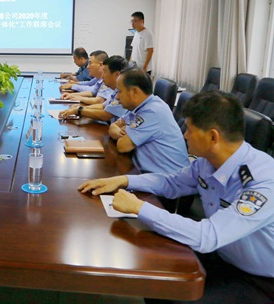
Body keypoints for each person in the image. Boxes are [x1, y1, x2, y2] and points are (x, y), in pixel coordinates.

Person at [79, 91, 274, 304]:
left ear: (213, 137)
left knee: (172, 291)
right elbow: (172, 183)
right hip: (223, 254)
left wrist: (139, 207)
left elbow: (207, 236)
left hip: (260, 280)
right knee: (153, 269)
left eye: (189, 129)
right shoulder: (207, 161)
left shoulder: (263, 181)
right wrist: (124, 180)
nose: (185, 135)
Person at [108, 67, 189, 175]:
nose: (117, 97)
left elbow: (123, 146)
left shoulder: (153, 111)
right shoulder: (140, 107)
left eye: (120, 91)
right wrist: (121, 132)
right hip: (147, 172)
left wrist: (125, 132)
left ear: (134, 92)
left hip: (169, 178)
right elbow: (113, 127)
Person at [59, 55, 128, 122]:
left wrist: (79, 110)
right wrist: (80, 108)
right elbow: (103, 106)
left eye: (105, 72)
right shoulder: (116, 91)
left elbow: (106, 115)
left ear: (117, 74)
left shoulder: (123, 94)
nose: (102, 76)